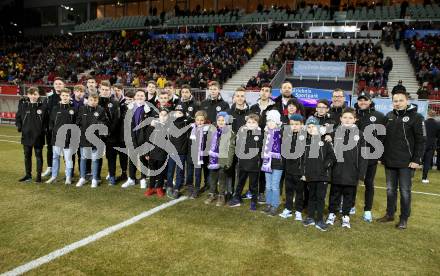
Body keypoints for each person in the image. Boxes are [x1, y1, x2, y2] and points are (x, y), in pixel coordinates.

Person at [378, 90, 426, 229]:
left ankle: (404, 218)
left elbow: (421, 141)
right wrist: (382, 156)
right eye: (395, 101)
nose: (397, 103)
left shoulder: (417, 117)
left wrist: (416, 160)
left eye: (400, 100)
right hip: (390, 161)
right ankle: (389, 214)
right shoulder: (389, 116)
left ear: (407, 101)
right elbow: (384, 139)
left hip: (407, 163)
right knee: (390, 190)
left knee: (405, 191)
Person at [326, 108, 368, 229]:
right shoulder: (334, 132)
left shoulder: (360, 135)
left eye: (350, 118)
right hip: (337, 170)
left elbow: (364, 156)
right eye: (345, 117)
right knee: (335, 193)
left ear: (355, 119)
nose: (347, 120)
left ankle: (345, 215)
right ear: (340, 119)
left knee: (349, 194)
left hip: (352, 171)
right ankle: (332, 213)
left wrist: (361, 174)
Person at [354, 92, 386, 222]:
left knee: (368, 183)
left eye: (365, 100)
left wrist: (379, 155)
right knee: (352, 182)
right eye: (360, 100)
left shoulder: (379, 116)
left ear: (370, 101)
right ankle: (350, 206)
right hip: (354, 156)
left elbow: (383, 138)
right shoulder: (353, 115)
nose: (362, 102)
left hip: (371, 156)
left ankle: (367, 210)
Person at [301, 116, 336, 232]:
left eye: (313, 127)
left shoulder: (325, 141)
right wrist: (304, 173)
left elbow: (332, 156)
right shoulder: (306, 142)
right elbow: (303, 160)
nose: (311, 129)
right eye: (309, 127)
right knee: (311, 196)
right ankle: (310, 217)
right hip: (310, 175)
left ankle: (320, 219)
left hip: (322, 176)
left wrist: (325, 165)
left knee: (320, 198)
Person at [228, 114, 262, 210]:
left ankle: (254, 201)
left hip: (254, 164)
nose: (251, 124)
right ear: (246, 123)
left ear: (257, 123)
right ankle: (237, 198)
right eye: (249, 122)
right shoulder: (242, 132)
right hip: (242, 162)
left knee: (253, 184)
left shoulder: (260, 134)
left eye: (253, 122)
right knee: (240, 182)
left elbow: (260, 149)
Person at [250, 83, 276, 203]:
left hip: (267, 143)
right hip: (254, 143)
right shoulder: (253, 107)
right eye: (262, 90)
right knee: (253, 167)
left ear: (270, 94)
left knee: (264, 167)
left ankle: (261, 192)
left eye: (267, 91)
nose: (264, 92)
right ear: (259, 92)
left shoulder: (274, 108)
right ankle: (252, 190)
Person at [75, 94, 109, 188]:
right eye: (91, 100)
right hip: (84, 139)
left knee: (95, 160)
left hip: (96, 139)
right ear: (88, 100)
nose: (93, 102)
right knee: (83, 158)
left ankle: (94, 179)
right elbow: (78, 122)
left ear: (97, 101)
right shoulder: (82, 109)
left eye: (95, 100)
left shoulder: (101, 110)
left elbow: (105, 123)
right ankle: (82, 178)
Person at [45, 88, 77, 185]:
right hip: (56, 138)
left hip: (68, 139)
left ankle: (68, 177)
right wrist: (53, 130)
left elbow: (76, 124)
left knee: (68, 159)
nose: (65, 97)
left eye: (67, 96)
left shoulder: (73, 109)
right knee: (55, 157)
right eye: (63, 95)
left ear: (69, 96)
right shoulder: (55, 108)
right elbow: (51, 121)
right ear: (60, 96)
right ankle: (54, 176)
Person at [122, 89, 153, 189]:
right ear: (135, 97)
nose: (140, 97)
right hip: (132, 136)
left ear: (145, 97)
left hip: (144, 137)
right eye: (138, 95)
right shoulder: (129, 108)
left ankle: (143, 179)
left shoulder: (149, 109)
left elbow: (149, 127)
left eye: (142, 96)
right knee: (132, 158)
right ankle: (131, 178)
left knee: (143, 158)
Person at [16, 87, 47, 183]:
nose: (33, 96)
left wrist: (43, 131)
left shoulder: (43, 106)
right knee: (27, 156)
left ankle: (38, 176)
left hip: (39, 136)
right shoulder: (23, 106)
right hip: (26, 135)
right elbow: (18, 118)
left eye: (35, 94)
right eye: (32, 94)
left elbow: (46, 121)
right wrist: (20, 127)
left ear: (38, 95)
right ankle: (28, 175)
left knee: (38, 156)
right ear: (28, 95)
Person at [205, 112, 236, 206]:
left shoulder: (230, 132)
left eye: (223, 120)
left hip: (223, 160)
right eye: (219, 120)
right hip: (213, 160)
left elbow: (231, 149)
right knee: (212, 177)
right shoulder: (213, 131)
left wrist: (229, 162)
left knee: (222, 179)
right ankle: (212, 193)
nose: (221, 122)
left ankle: (221, 195)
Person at [280, 114, 305, 221]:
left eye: (297, 124)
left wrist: (304, 171)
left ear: (302, 125)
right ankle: (288, 208)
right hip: (289, 169)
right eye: (292, 124)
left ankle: (298, 210)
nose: (294, 126)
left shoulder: (305, 137)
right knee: (289, 190)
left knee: (299, 191)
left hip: (299, 170)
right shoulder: (287, 136)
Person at [166, 105, 192, 199]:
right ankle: (169, 186)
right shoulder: (170, 122)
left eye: (180, 112)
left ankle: (177, 188)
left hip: (182, 151)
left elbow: (196, 121)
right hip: (172, 151)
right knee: (170, 170)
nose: (178, 113)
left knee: (179, 171)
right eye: (176, 112)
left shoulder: (187, 122)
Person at [261, 110, 284, 216]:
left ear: (277, 122)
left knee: (275, 185)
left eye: (273, 121)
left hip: (278, 163)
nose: (270, 123)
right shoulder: (266, 133)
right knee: (268, 185)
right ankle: (268, 204)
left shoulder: (281, 133)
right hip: (267, 162)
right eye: (269, 121)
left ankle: (275, 205)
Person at [144, 107, 171, 197]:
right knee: (152, 171)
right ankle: (151, 188)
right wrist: (147, 153)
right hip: (152, 152)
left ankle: (159, 188)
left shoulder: (169, 126)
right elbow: (147, 139)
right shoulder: (153, 126)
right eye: (161, 115)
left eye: (165, 115)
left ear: (168, 116)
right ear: (158, 116)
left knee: (160, 172)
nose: (163, 117)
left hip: (162, 153)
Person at [99, 81, 121, 185]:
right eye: (102, 89)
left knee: (111, 156)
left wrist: (108, 132)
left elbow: (116, 119)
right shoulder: (95, 100)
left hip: (111, 135)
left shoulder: (115, 102)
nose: (104, 91)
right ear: (99, 89)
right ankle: (96, 176)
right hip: (97, 135)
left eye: (106, 90)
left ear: (110, 90)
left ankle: (112, 176)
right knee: (97, 156)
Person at [42, 77, 65, 178]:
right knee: (50, 149)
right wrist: (46, 127)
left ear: (64, 85)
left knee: (67, 150)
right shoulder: (49, 98)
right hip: (51, 130)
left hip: (65, 130)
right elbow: (45, 113)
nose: (58, 85)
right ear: (54, 85)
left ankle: (69, 172)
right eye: (56, 84)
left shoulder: (68, 97)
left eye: (60, 84)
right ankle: (50, 168)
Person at [187, 110, 211, 198]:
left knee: (198, 173)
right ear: (195, 120)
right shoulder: (191, 128)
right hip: (192, 154)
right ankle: (190, 187)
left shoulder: (208, 129)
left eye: (202, 120)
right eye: (198, 120)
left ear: (205, 120)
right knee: (191, 172)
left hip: (201, 156)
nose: (199, 122)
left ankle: (197, 188)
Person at [422, 110, 440, 184]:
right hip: (432, 145)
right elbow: (438, 136)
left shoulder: (423, 123)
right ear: (435, 116)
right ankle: (424, 178)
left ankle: (409, 176)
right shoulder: (438, 124)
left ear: (428, 115)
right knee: (427, 162)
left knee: (415, 160)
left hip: (422, 144)